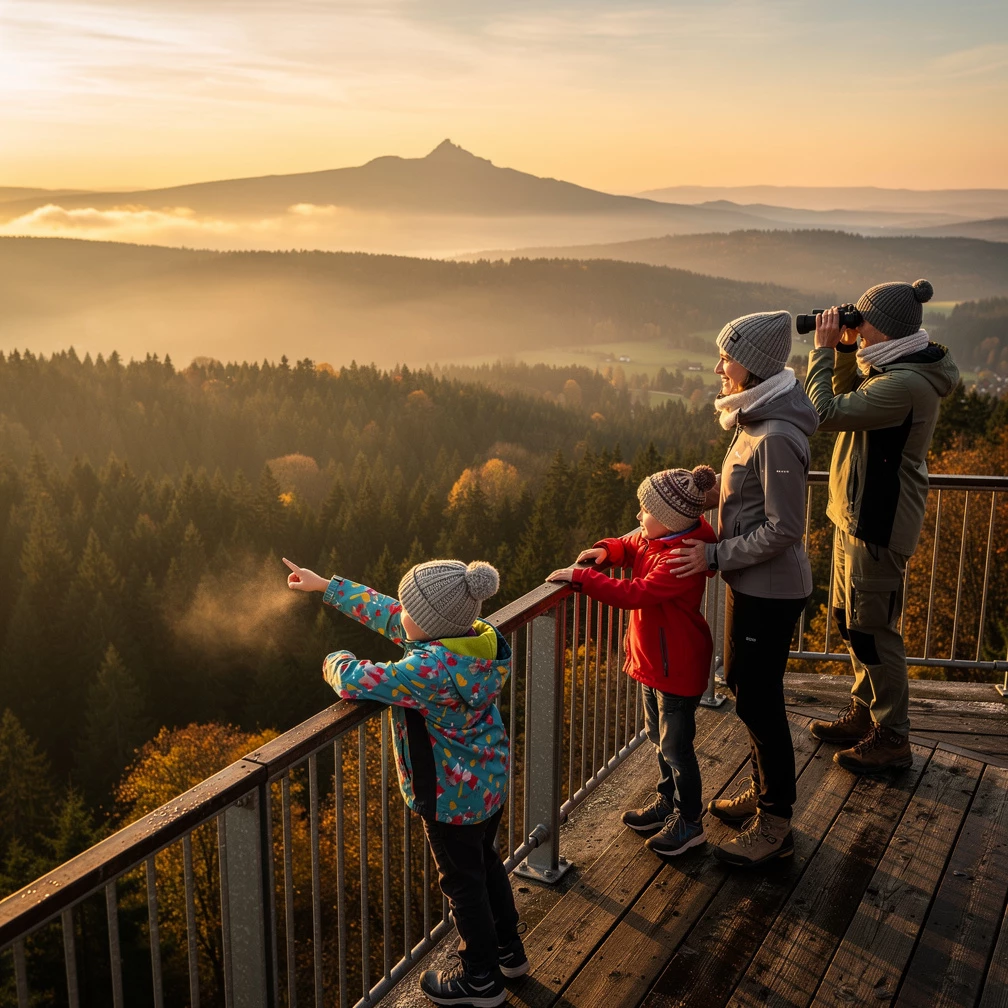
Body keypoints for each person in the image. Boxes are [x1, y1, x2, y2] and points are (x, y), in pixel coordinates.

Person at [282, 555, 524, 1008]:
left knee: (461, 885)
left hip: (449, 800)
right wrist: (326, 587)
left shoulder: (425, 672)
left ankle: (481, 979)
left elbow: (356, 680)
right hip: (489, 786)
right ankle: (510, 951)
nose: (400, 614)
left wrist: (335, 659)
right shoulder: (474, 643)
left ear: (431, 624)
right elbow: (390, 612)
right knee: (485, 866)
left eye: (409, 609)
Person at [670, 310, 818, 867]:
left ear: (751, 366)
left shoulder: (775, 433)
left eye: (725, 357)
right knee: (745, 688)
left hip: (771, 590)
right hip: (751, 583)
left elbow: (784, 528)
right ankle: (765, 795)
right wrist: (712, 495)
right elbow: (750, 502)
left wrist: (712, 553)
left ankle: (776, 823)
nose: (717, 367)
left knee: (759, 700)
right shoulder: (753, 419)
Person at [804, 279, 959, 773]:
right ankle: (865, 712)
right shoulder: (890, 366)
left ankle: (893, 735)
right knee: (853, 625)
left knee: (875, 630)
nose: (854, 326)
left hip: (878, 518)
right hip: (855, 514)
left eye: (861, 322)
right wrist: (847, 350)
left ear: (884, 329)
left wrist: (824, 353)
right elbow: (849, 395)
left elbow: (823, 412)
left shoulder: (904, 384)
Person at [548, 465, 718, 859]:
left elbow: (635, 593)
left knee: (677, 749)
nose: (639, 518)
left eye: (645, 511)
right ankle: (667, 803)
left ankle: (690, 823)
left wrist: (583, 578)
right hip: (654, 662)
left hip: (676, 666)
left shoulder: (679, 557)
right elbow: (633, 543)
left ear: (670, 518)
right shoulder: (663, 536)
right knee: (660, 741)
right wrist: (607, 550)